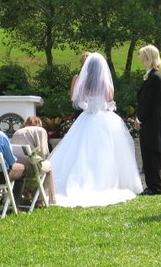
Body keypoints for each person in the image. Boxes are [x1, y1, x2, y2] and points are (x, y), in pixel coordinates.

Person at [49, 53, 142, 207]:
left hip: (87, 117)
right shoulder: (105, 82)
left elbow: (78, 100)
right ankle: (104, 180)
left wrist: (88, 107)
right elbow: (110, 99)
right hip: (104, 118)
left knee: (82, 151)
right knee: (105, 151)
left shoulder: (84, 83)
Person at [135, 45, 161, 196]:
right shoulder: (151, 76)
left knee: (151, 154)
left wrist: (139, 118)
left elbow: (150, 102)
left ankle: (155, 187)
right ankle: (151, 185)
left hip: (151, 123)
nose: (141, 59)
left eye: (142, 56)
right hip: (149, 122)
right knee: (147, 154)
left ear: (148, 57)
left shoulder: (155, 77)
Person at [70, 52, 91, 119]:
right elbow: (72, 96)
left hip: (91, 108)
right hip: (80, 109)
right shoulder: (76, 77)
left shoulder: (94, 78)